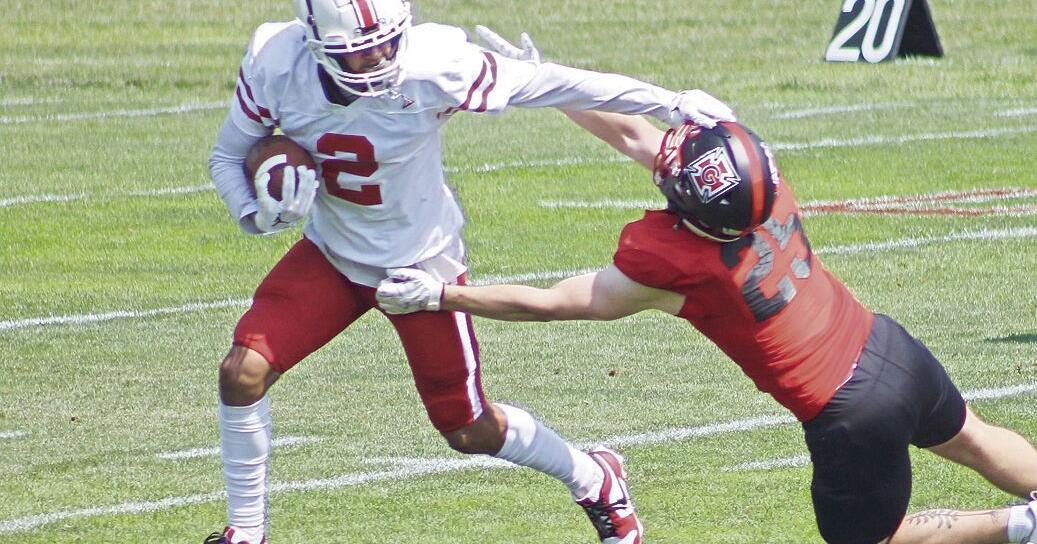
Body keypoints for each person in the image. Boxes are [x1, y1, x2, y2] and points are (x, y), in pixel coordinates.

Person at [204, 0, 737, 542]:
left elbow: (555, 83)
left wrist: (669, 103)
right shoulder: (276, 61)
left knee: (467, 429)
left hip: (419, 268)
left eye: (388, 42)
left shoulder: (433, 64)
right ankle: (246, 532)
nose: (382, 58)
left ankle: (595, 476)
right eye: (361, 52)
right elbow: (227, 157)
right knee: (241, 372)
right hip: (332, 255)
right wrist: (256, 212)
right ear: (316, 46)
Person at [375, 109, 1037, 544]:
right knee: (975, 438)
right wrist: (551, 85)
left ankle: (1017, 526)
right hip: (886, 345)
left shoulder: (681, 263)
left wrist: (443, 296)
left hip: (849, 408)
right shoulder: (760, 186)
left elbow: (554, 302)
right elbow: (647, 141)